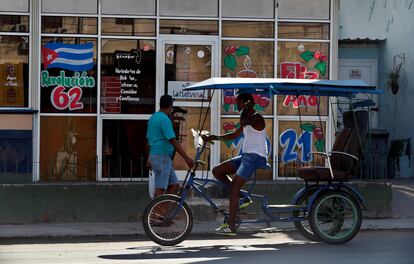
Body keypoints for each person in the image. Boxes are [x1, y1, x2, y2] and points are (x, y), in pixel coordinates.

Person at [204, 93, 268, 235]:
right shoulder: (247, 118)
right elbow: (234, 135)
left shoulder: (257, 118)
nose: (236, 105)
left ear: (246, 103)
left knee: (233, 187)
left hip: (255, 157)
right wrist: (215, 137)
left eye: (239, 102)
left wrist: (245, 109)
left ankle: (231, 226)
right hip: (245, 156)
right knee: (217, 171)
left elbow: (245, 121)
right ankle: (242, 196)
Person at [146, 95, 194, 198]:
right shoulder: (164, 119)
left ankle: (162, 212)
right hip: (162, 156)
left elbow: (147, 139)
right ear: (171, 106)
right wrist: (187, 158)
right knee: (160, 188)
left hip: (158, 156)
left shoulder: (153, 118)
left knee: (174, 185)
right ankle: (155, 213)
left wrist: (149, 156)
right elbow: (172, 140)